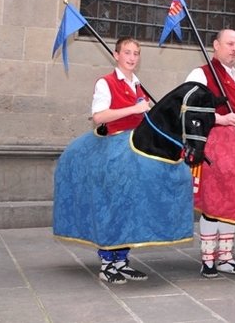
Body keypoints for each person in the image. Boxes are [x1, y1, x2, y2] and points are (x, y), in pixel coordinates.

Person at [185, 29, 235, 277]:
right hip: (213, 144)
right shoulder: (201, 74)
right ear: (216, 46)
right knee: (214, 200)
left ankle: (227, 257)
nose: (234, 49)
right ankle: (208, 259)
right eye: (229, 44)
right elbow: (188, 108)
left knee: (232, 199)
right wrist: (219, 118)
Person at [90, 36, 151, 284]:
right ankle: (107, 263)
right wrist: (134, 110)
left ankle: (122, 261)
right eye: (127, 52)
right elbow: (98, 116)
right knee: (113, 205)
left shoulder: (138, 86)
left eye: (136, 53)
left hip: (135, 151)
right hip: (113, 149)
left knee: (130, 207)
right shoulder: (105, 83)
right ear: (116, 55)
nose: (132, 57)